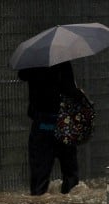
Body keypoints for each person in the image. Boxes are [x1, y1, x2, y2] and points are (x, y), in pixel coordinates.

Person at [18, 61, 82, 195]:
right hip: (63, 123)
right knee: (70, 174)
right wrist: (78, 93)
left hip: (42, 124)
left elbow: (22, 75)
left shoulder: (34, 61)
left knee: (39, 176)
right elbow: (70, 90)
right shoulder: (63, 61)